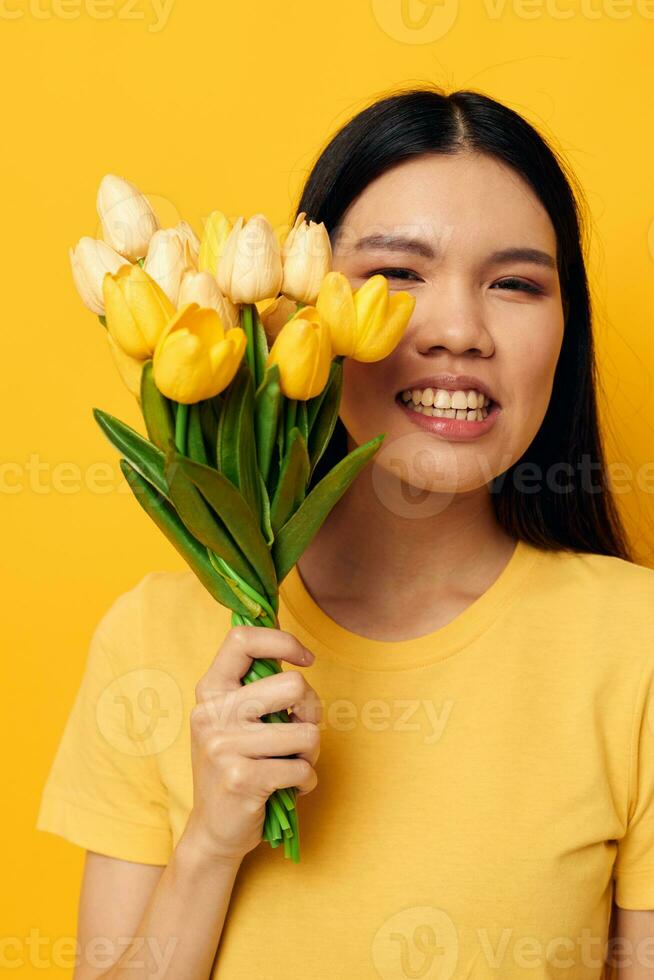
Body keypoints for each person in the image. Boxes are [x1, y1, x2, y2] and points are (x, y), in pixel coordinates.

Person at [37, 86, 654, 979]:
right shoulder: (155, 637)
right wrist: (210, 842)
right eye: (399, 274)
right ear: (299, 303)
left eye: (515, 283)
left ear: (566, 328)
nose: (458, 332)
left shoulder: (634, 646)